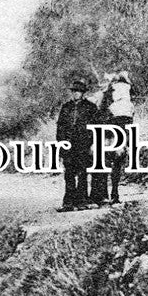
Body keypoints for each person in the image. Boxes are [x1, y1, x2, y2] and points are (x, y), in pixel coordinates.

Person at [56, 78, 99, 212]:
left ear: (83, 93)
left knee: (82, 173)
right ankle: (68, 203)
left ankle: (81, 201)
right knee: (68, 173)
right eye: (74, 91)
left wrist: (93, 145)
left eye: (78, 91)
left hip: (83, 144)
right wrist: (61, 143)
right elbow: (60, 127)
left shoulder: (91, 107)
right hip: (68, 144)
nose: (76, 94)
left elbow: (96, 127)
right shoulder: (66, 107)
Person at [97, 71, 134, 204]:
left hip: (119, 125)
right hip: (111, 127)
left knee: (115, 161)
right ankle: (107, 194)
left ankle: (113, 193)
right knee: (109, 162)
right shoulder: (110, 94)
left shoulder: (123, 94)